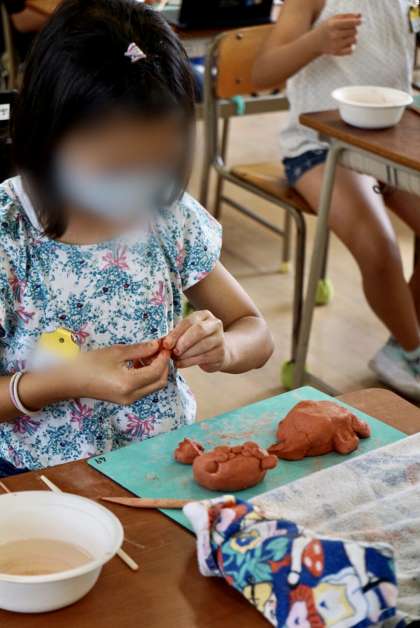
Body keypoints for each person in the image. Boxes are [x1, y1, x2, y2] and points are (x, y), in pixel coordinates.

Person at [0, 0, 274, 476]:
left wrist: (224, 347)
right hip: (37, 476)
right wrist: (61, 381)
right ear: (48, 134)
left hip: (157, 461)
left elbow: (255, 330)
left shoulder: (168, 216)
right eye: (112, 168)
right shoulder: (10, 231)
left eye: (153, 163)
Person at [253, 0, 420, 398]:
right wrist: (315, 42)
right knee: (379, 247)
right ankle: (413, 350)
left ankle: (404, 344)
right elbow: (261, 74)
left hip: (387, 140)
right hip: (318, 146)